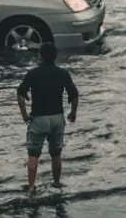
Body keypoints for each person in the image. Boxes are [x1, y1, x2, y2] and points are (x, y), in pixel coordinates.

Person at [17, 41, 79, 194]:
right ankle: (57, 183)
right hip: (57, 118)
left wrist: (24, 115)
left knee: (33, 154)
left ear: (40, 56)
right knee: (56, 153)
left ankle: (31, 187)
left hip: (39, 118)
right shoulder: (63, 73)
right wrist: (73, 112)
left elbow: (20, 94)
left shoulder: (33, 73)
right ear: (55, 56)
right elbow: (74, 95)